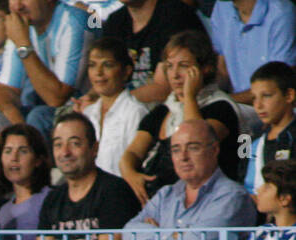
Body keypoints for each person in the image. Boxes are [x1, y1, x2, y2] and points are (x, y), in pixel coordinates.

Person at [123, 119, 258, 240]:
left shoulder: (232, 196)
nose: (183, 157)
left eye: (192, 147)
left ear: (214, 149)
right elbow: (128, 236)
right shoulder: (166, 194)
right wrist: (174, 236)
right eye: (176, 150)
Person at [119, 30, 242, 206]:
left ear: (205, 68)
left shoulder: (221, 108)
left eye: (183, 66)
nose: (175, 74)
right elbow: (131, 153)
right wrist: (131, 174)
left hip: (206, 199)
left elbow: (196, 138)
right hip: (158, 200)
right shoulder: (161, 111)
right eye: (169, 66)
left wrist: (189, 97)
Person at [30, 112, 141, 240]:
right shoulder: (53, 199)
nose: (65, 152)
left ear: (94, 148)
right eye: (58, 144)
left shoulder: (113, 190)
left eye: (74, 143)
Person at [0, 0, 90, 134]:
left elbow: (56, 98)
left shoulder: (74, 21)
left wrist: (23, 43)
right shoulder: (21, 24)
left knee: (38, 116)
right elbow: (6, 90)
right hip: (48, 112)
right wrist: (20, 127)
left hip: (83, 109)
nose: (17, 6)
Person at [101, 0, 205, 107]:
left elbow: (163, 88)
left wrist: (111, 103)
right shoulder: (115, 22)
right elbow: (102, 79)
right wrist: (91, 98)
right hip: (126, 111)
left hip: (173, 109)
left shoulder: (176, 16)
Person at [77, 37, 150, 177]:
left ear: (126, 71)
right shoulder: (87, 114)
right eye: (92, 65)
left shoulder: (135, 112)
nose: (98, 72)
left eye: (107, 65)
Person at [210, 0, 296, 106]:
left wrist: (222, 100)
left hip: (270, 106)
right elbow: (222, 69)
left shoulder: (280, 11)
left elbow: (280, 83)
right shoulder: (222, 7)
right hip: (236, 104)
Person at [244, 62, 296, 199]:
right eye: (254, 98)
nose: (258, 105)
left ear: (289, 95)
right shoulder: (250, 139)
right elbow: (245, 184)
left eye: (266, 95)